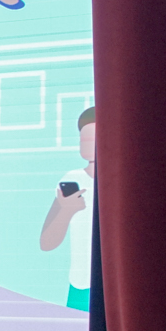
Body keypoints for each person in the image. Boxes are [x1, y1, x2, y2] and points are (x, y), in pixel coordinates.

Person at [39, 106, 95, 311]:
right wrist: (67, 210)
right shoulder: (73, 179)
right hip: (81, 284)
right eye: (84, 139)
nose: (88, 145)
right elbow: (47, 242)